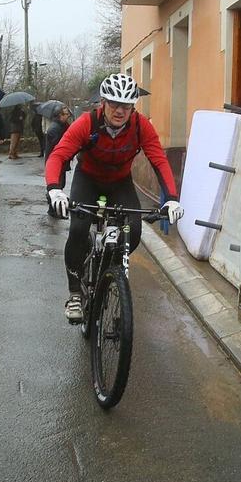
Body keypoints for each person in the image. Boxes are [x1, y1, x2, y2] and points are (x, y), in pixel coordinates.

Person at [45, 74, 183, 321]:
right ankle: (75, 293)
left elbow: (158, 159)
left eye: (126, 106)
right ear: (103, 103)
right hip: (88, 179)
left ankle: (111, 271)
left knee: (134, 231)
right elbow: (58, 155)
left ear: (133, 108)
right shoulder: (86, 123)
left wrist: (171, 198)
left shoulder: (140, 126)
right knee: (78, 230)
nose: (120, 111)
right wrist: (54, 189)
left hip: (120, 182)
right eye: (114, 104)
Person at [42, 105, 72, 218]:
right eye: (66, 114)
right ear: (60, 115)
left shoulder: (63, 126)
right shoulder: (55, 128)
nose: (68, 116)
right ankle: (52, 209)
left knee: (61, 184)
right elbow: (58, 145)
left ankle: (55, 208)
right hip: (55, 162)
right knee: (56, 185)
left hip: (62, 162)